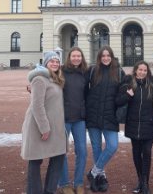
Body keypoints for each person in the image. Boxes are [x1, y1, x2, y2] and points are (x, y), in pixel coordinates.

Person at [21, 51, 69, 194]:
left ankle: (49, 190)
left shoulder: (55, 79)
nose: (55, 63)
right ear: (45, 63)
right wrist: (44, 128)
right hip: (39, 126)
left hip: (55, 126)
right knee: (35, 161)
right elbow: (37, 105)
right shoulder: (39, 79)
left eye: (57, 61)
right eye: (51, 61)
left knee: (58, 157)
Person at [85, 46, 125, 192]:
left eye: (108, 55)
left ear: (112, 57)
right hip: (93, 115)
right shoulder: (92, 71)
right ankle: (99, 178)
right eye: (103, 56)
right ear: (99, 57)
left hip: (110, 116)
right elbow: (81, 90)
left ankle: (94, 172)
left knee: (112, 146)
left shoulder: (119, 72)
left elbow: (124, 92)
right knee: (96, 148)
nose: (106, 58)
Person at [115, 60, 153, 194]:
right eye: (140, 70)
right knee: (136, 153)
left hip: (148, 124)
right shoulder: (128, 84)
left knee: (147, 152)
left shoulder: (152, 85)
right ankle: (140, 179)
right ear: (135, 70)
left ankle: (145, 182)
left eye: (145, 70)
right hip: (133, 124)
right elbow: (118, 101)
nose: (142, 72)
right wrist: (127, 95)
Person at [58, 47, 89, 194]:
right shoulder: (61, 71)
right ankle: (64, 184)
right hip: (64, 117)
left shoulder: (85, 73)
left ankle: (79, 183)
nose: (76, 58)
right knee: (61, 152)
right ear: (69, 57)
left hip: (80, 118)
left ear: (82, 58)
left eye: (79, 56)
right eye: (74, 56)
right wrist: (32, 86)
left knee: (82, 152)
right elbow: (46, 82)